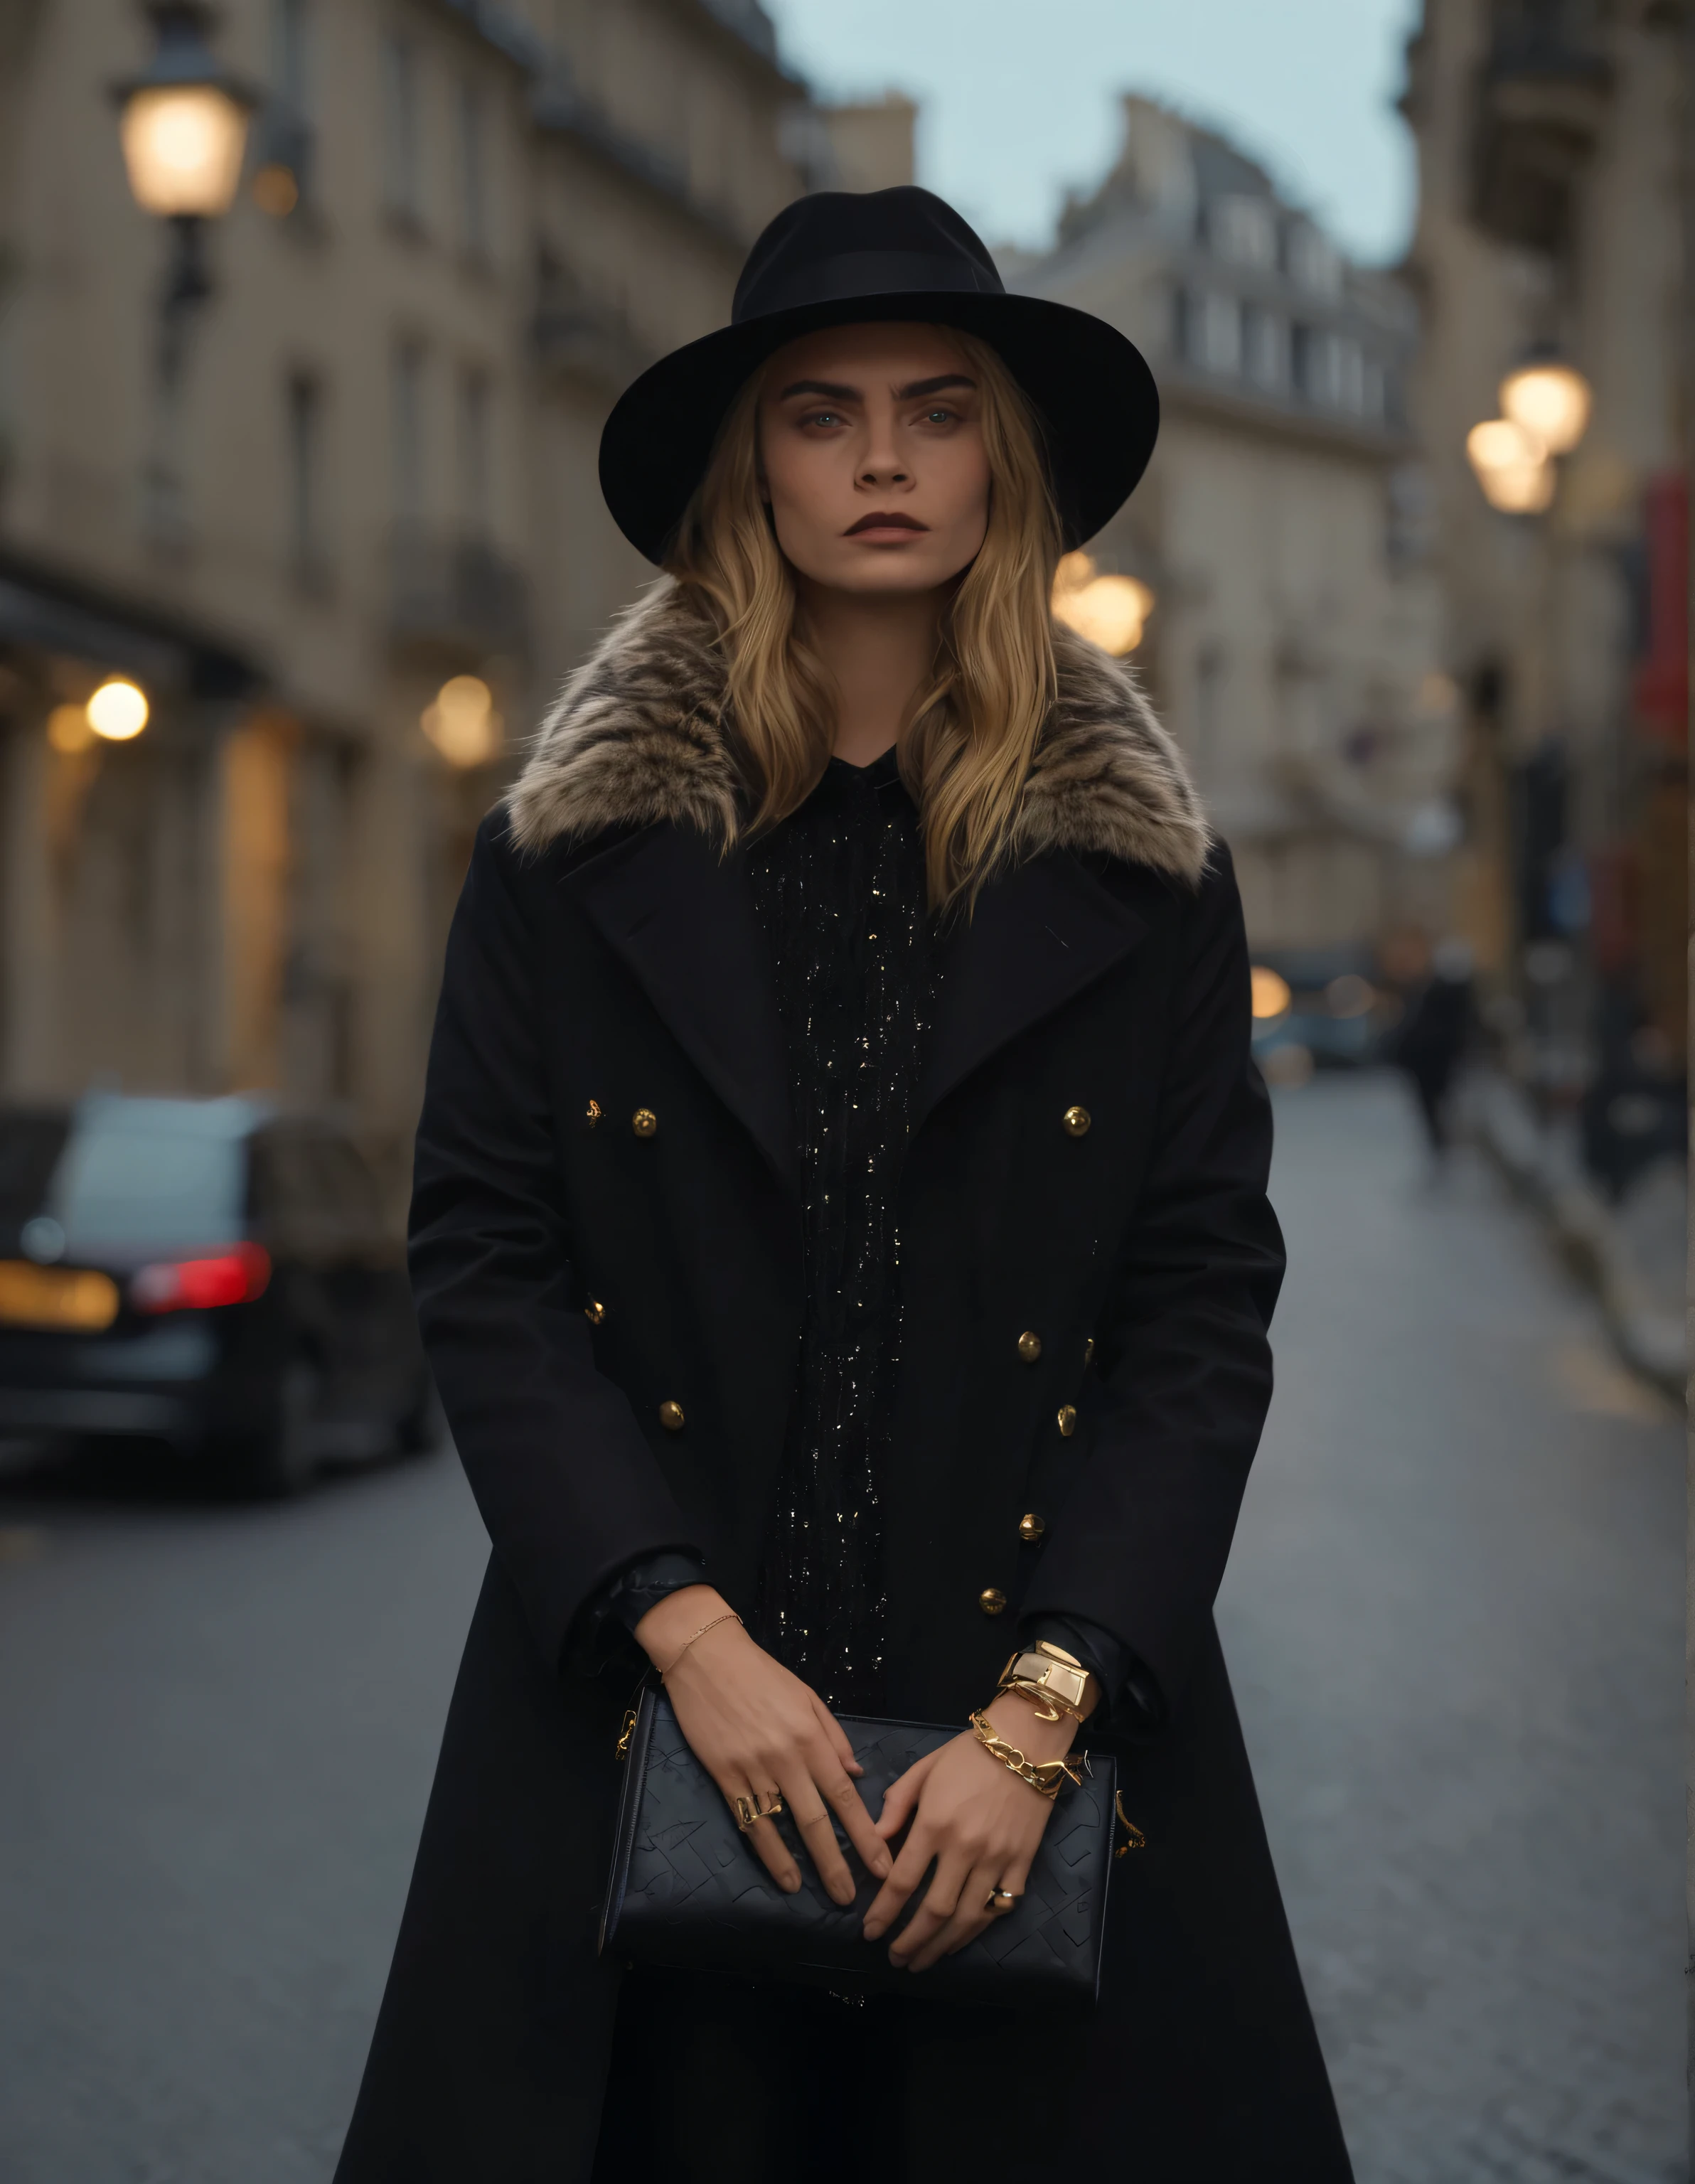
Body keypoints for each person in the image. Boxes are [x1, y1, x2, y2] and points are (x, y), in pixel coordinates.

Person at [334, 187, 1352, 2183]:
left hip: (1031, 1772)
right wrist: (690, 1640)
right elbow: (487, 1259)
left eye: (937, 407)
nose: (883, 458)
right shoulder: (562, 861)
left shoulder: (1148, 880)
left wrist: (1036, 1722)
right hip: (639, 1742)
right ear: (752, 472)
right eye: (821, 412)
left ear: (1006, 461)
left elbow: (1197, 1305)